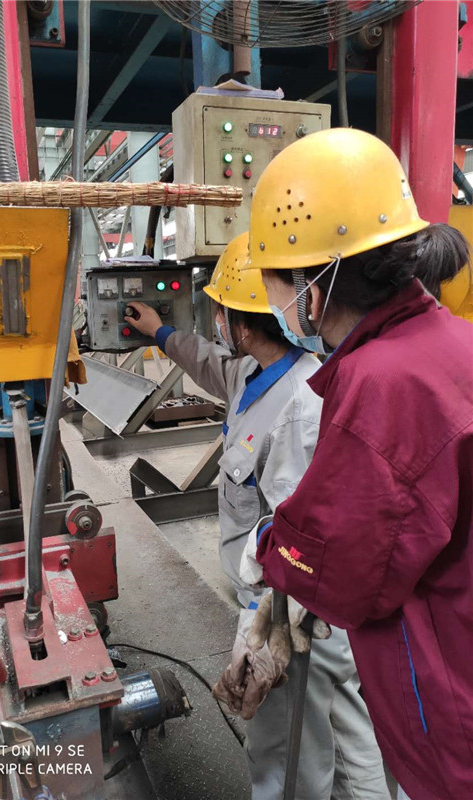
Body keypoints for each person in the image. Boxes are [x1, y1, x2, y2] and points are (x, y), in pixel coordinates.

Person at [240, 127, 473, 800]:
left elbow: (342, 572)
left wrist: (269, 546)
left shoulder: (380, 383)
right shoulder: (451, 340)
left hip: (449, 687)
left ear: (312, 291)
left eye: (275, 284)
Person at [124, 232, 389, 800]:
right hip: (296, 601)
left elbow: (297, 532)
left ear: (240, 326)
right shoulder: (252, 374)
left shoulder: (300, 405)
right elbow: (207, 364)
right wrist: (161, 332)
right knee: (346, 729)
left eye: (219, 312)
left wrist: (260, 624)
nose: (216, 324)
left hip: (289, 606)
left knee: (284, 746)